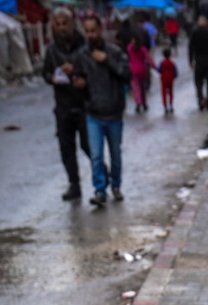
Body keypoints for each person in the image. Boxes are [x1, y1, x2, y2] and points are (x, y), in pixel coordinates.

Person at [72, 14, 129, 207]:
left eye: (93, 31)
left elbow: (126, 73)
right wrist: (78, 83)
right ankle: (99, 190)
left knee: (115, 154)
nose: (90, 35)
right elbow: (78, 79)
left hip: (113, 112)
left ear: (101, 30)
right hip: (93, 113)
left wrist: (107, 61)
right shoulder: (81, 56)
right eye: (87, 31)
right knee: (96, 155)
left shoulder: (114, 52)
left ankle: (116, 185)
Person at [42, 6, 89, 201]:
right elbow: (45, 73)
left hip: (85, 104)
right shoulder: (52, 50)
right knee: (66, 148)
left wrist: (78, 72)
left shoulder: (85, 46)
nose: (62, 28)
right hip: (62, 106)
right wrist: (52, 77)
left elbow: (93, 69)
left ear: (72, 23)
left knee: (88, 146)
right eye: (58, 24)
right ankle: (74, 184)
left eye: (65, 24)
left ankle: (101, 175)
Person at [188, 15, 208, 111]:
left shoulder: (194, 32)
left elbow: (190, 48)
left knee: (198, 82)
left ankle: (201, 99)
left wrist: (190, 61)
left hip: (199, 60)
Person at [127, 35, 152, 113]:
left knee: (135, 88)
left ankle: (138, 103)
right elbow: (149, 59)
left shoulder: (130, 48)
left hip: (133, 70)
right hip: (142, 70)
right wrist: (157, 68)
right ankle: (144, 104)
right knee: (142, 88)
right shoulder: (143, 49)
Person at [158, 47, 179, 115]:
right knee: (171, 93)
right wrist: (173, 77)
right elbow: (175, 73)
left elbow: (159, 70)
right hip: (170, 80)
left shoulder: (162, 63)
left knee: (164, 93)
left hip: (163, 80)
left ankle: (165, 106)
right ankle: (171, 105)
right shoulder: (172, 63)